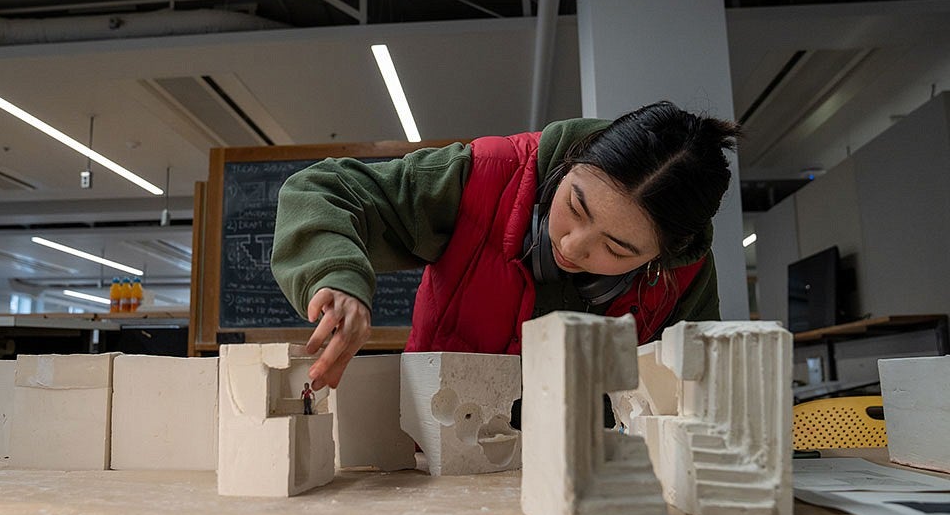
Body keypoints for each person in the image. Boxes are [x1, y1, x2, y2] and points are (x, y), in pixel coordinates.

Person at [272, 101, 741, 392]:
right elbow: (324, 190)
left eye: (616, 250)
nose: (574, 247)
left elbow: (697, 393)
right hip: (440, 458)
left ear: (660, 255)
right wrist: (335, 276)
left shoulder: (685, 275)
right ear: (572, 162)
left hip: (590, 473)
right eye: (574, 208)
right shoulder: (486, 176)